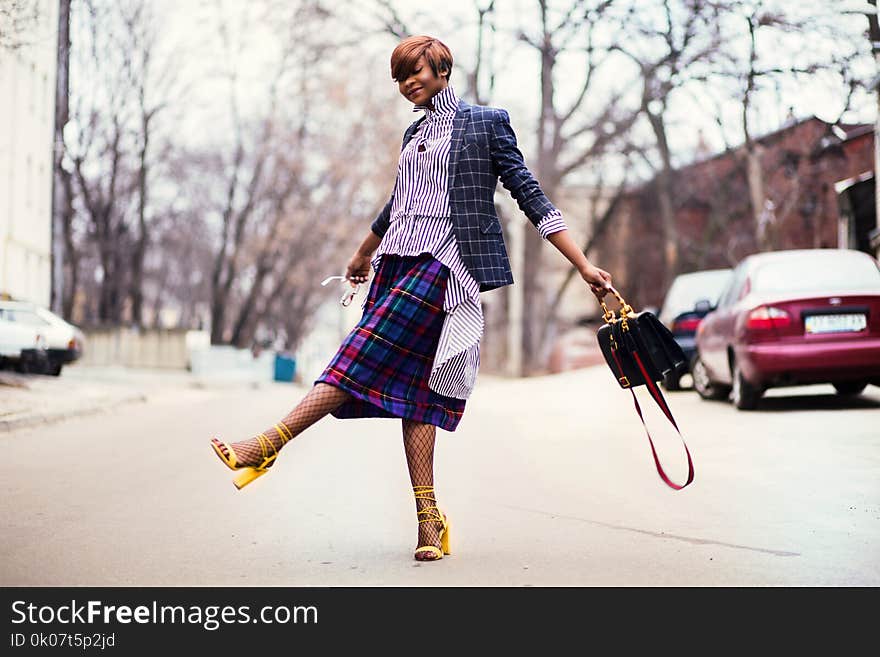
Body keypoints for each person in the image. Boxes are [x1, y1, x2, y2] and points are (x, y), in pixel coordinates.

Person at [210, 35, 613, 562]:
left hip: (445, 267)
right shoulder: (415, 131)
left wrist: (582, 265)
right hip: (397, 263)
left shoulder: (485, 123)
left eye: (414, 71)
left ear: (442, 65)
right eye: (399, 77)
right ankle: (430, 520)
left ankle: (267, 445)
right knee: (416, 393)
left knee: (356, 360)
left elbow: (529, 194)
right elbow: (397, 204)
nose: (407, 84)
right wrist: (361, 255)